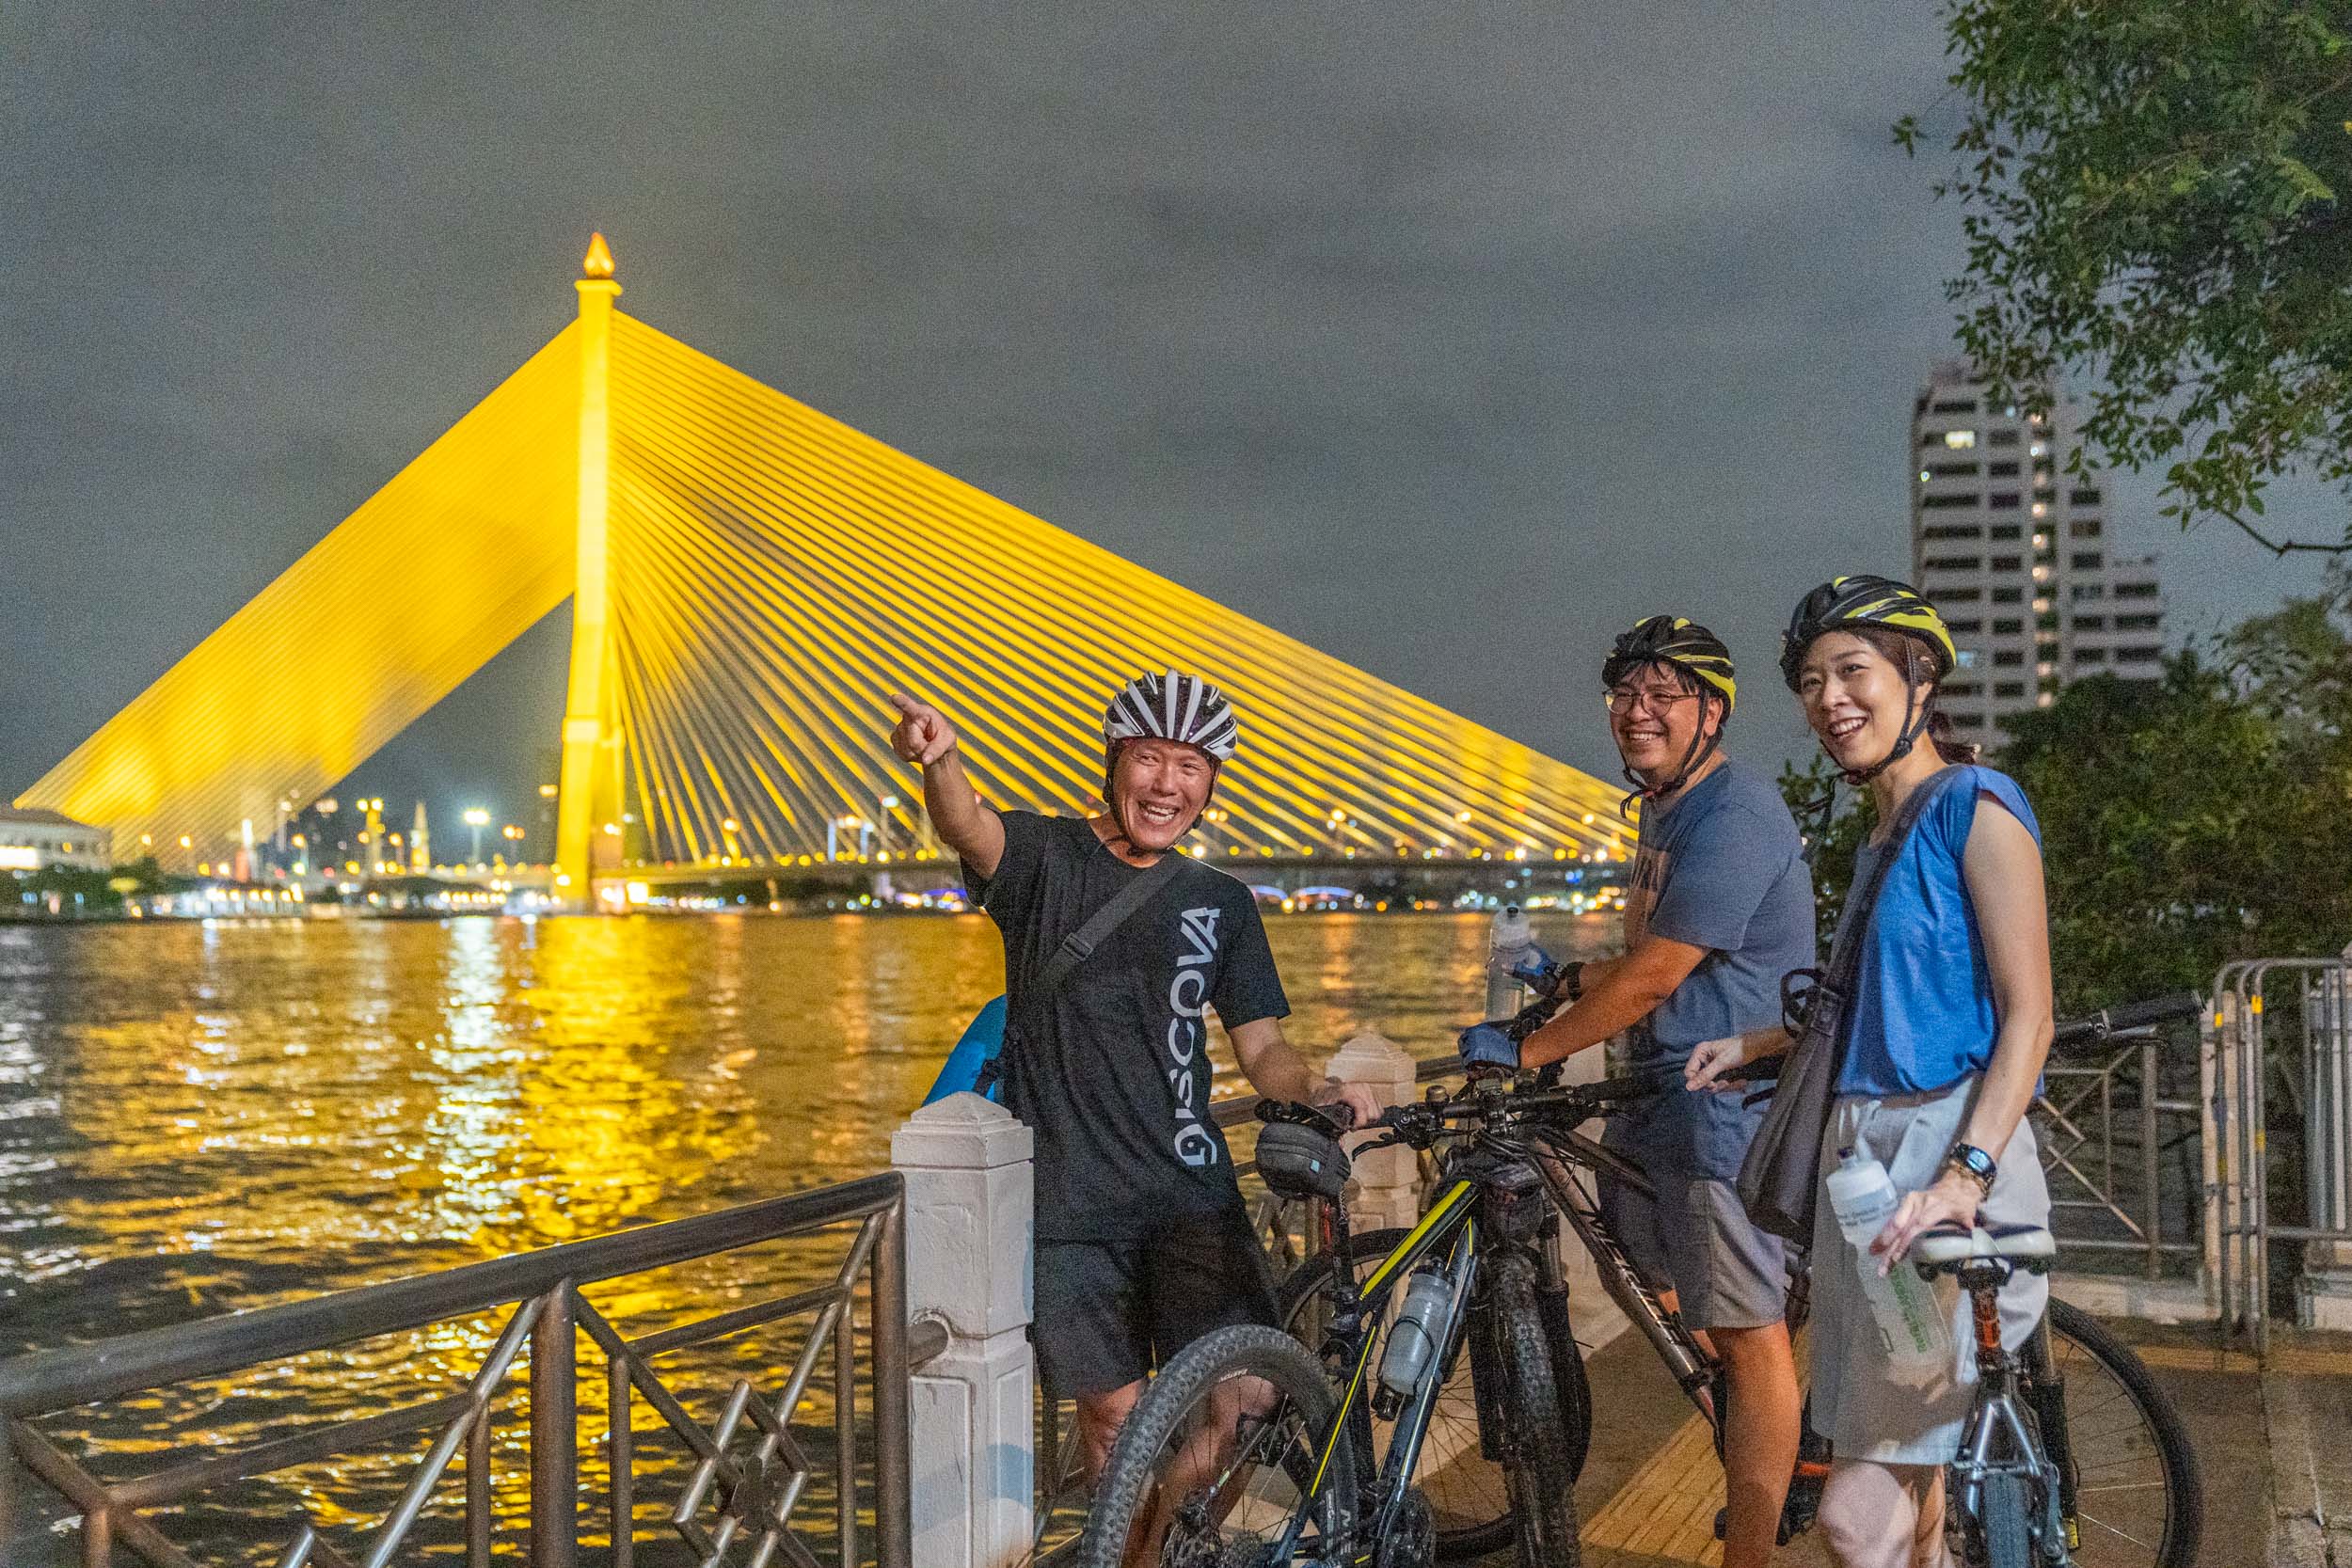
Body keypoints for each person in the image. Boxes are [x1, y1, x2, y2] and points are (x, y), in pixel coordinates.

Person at [887, 673, 1379, 1480]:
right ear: (1114, 763)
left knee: (1250, 1400)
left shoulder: (1221, 902)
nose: (1166, 784)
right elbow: (967, 825)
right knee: (1116, 1424)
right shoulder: (1045, 858)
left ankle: (1162, 1537)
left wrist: (1317, 1090)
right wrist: (940, 760)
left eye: (1191, 766)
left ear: (1210, 784)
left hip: (1192, 1193)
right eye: (1149, 759)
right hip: (1074, 1205)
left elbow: (1263, 1048)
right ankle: (1132, 1537)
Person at [1688, 576, 2056, 1568]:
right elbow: (1883, 1002)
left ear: (1919, 678)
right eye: (1811, 681)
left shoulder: (1978, 806)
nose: (1829, 698)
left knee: (1855, 1515)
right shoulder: (1880, 836)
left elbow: (2030, 1014)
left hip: (1943, 1167)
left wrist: (1965, 1176)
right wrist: (1759, 1044)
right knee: (1904, 1468)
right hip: (1863, 1179)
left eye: (1853, 670)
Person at [1455, 616, 1810, 1568]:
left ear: (1712, 711)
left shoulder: (1734, 813)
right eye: (1624, 693)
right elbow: (1658, 954)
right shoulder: (1666, 806)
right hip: (1658, 1096)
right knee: (1651, 1277)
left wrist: (1525, 1049)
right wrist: (1569, 978)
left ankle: (1754, 1539)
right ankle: (1765, 1442)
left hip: (1722, 1105)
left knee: (1748, 1333)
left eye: (1663, 695)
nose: (1636, 711)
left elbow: (1657, 975)